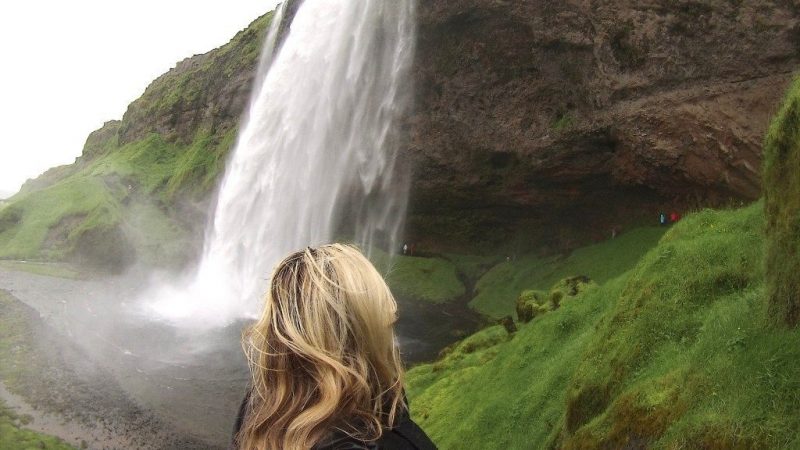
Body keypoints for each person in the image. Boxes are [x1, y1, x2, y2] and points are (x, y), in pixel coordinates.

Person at [231, 244, 437, 450]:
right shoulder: (368, 436)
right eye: (384, 315)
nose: (390, 323)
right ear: (363, 330)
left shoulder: (262, 410)